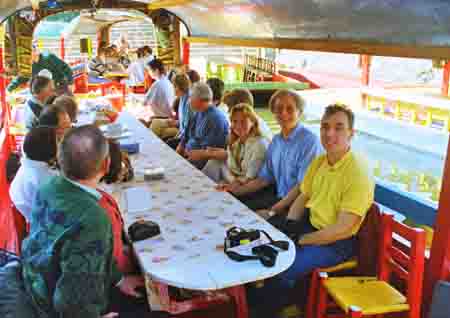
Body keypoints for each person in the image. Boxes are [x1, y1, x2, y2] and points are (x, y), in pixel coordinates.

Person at [248, 104, 375, 318]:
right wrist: (289, 225)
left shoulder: (357, 171)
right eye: (325, 127)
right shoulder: (321, 161)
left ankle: (270, 307)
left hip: (337, 243)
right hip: (310, 226)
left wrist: (300, 239)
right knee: (260, 238)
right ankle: (263, 295)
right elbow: (302, 196)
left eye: (338, 127)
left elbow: (343, 229)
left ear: (351, 134)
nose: (329, 133)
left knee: (285, 263)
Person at [21, 125, 151, 318]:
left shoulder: (49, 186)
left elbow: (84, 256)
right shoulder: (93, 217)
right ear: (106, 165)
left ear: (60, 159)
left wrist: (118, 279)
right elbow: (71, 298)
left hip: (35, 287)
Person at [220, 89, 322, 211]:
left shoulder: (309, 141)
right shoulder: (276, 141)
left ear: (299, 113)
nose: (283, 113)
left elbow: (302, 188)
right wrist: (236, 191)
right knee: (230, 203)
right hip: (278, 196)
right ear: (273, 112)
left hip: (299, 206)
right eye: (279, 109)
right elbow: (264, 179)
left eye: (290, 109)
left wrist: (271, 212)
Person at [203, 103, 269, 186]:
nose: (238, 125)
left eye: (243, 121)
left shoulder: (259, 144)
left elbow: (250, 177)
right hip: (236, 178)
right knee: (214, 161)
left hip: (249, 186)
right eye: (235, 121)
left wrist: (228, 184)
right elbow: (231, 166)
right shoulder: (237, 141)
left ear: (252, 122)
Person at [9, 127, 58, 222]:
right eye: (57, 142)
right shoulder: (46, 179)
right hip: (45, 223)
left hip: (32, 214)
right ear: (49, 150)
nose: (59, 144)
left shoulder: (28, 165)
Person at [177, 82, 229, 169]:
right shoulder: (198, 112)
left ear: (199, 99)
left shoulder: (215, 119)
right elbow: (186, 134)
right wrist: (181, 146)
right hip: (188, 156)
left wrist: (183, 163)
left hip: (200, 165)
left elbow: (206, 153)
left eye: (191, 97)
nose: (189, 101)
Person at [8, 42, 73, 95]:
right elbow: (21, 78)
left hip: (60, 86)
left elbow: (65, 67)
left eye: (29, 53)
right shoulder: (30, 66)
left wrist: (71, 83)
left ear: (35, 51)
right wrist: (9, 89)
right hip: (45, 90)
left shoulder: (48, 57)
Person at [150, 73, 191, 140]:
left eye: (175, 86)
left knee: (160, 131)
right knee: (155, 122)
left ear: (181, 86)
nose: (173, 89)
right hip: (178, 125)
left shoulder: (188, 101)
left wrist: (176, 123)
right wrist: (175, 122)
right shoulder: (182, 98)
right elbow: (183, 120)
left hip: (182, 132)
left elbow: (187, 126)